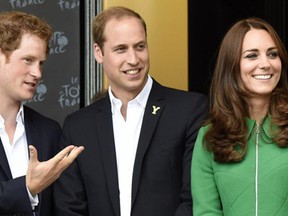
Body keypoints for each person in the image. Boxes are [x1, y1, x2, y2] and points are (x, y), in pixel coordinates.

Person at [53, 6, 208, 216]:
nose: (134, 59)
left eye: (140, 46)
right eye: (121, 49)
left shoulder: (189, 110)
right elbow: (69, 208)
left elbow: (194, 199)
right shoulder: (77, 127)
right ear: (99, 53)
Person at [191, 17, 288, 215]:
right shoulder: (209, 137)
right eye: (252, 56)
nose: (265, 64)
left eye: (272, 54)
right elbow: (206, 211)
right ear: (231, 65)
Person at [0, 11, 84, 216]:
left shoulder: (49, 131)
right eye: (28, 60)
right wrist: (27, 188)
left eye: (41, 63)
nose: (38, 73)